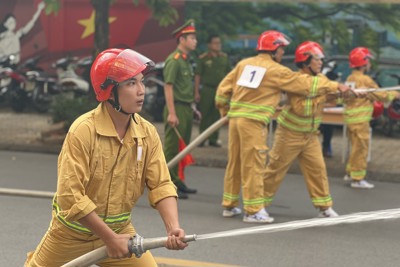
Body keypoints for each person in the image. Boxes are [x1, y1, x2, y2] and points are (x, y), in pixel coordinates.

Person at [25, 48, 188, 267]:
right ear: (109, 92)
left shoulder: (147, 133)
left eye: (142, 82)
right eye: (131, 83)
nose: (141, 91)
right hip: (70, 236)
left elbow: (161, 184)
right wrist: (108, 238)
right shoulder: (83, 131)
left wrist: (173, 227)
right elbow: (70, 196)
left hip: (120, 233)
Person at [216, 31, 352, 223]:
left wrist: (224, 109)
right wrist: (335, 86)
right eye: (281, 49)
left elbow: (223, 89)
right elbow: (304, 85)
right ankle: (253, 210)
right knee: (253, 165)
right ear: (274, 48)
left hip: (237, 119)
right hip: (253, 122)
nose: (282, 53)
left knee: (235, 163)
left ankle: (229, 205)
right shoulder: (276, 70)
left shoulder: (244, 64)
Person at [264, 41, 341, 219]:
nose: (321, 62)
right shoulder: (295, 81)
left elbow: (330, 98)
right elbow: (303, 109)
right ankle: (258, 206)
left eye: (321, 59)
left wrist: (341, 94)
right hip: (289, 135)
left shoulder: (321, 80)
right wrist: (325, 94)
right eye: (317, 59)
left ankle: (325, 208)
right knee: (274, 171)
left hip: (310, 135)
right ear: (305, 61)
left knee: (318, 171)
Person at [343, 47, 400, 189]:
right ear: (363, 62)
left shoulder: (350, 78)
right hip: (361, 120)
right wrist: (395, 94)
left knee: (354, 148)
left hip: (350, 119)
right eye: (368, 61)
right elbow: (379, 94)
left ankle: (350, 173)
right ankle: (358, 179)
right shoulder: (366, 80)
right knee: (361, 149)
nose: (369, 64)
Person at [163, 19, 198, 199]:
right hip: (175, 107)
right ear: (182, 40)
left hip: (185, 108)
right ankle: (166, 184)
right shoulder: (174, 60)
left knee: (182, 147)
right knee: (171, 148)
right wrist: (171, 112)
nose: (195, 41)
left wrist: (192, 106)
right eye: (191, 38)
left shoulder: (186, 60)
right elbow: (168, 87)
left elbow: (183, 87)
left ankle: (177, 180)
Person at [194, 34, 231, 147]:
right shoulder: (203, 58)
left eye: (219, 43)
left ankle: (214, 139)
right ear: (209, 45)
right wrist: (196, 92)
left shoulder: (224, 58)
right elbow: (197, 75)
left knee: (217, 114)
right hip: (207, 89)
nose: (218, 45)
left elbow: (229, 75)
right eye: (215, 43)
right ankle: (202, 138)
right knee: (205, 114)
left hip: (220, 90)